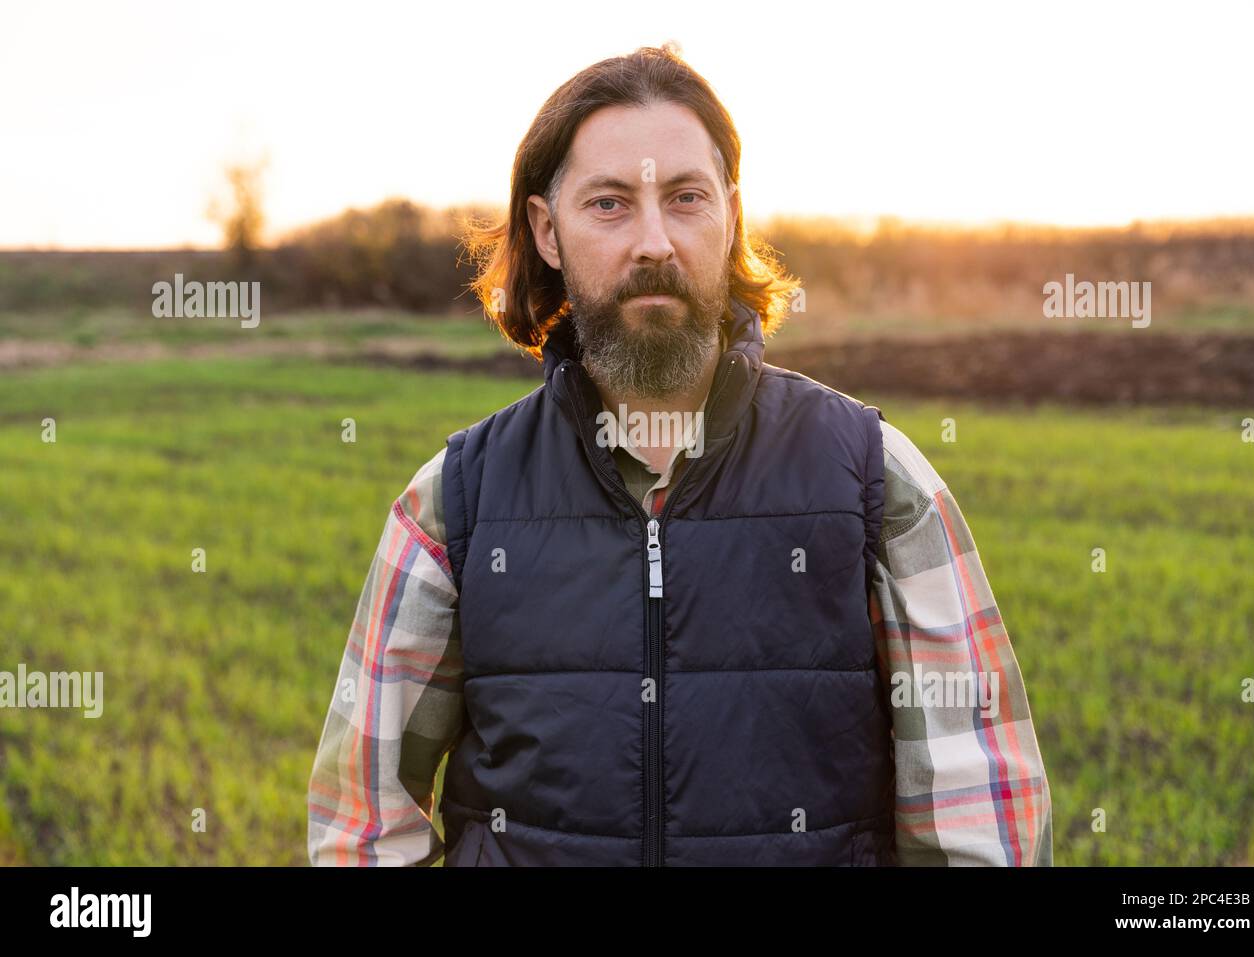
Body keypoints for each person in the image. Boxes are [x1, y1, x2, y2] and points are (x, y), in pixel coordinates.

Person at [307, 43, 1051, 867]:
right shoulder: (455, 503)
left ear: (731, 216)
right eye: (610, 204)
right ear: (547, 232)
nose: (654, 241)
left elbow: (983, 826)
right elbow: (363, 825)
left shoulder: (878, 479)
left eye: (686, 198)